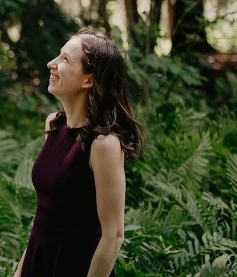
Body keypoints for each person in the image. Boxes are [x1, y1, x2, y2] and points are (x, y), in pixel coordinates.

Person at [14, 28, 146, 277]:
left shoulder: (104, 145)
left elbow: (114, 235)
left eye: (65, 60)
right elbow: (44, 215)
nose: (51, 63)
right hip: (38, 263)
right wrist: (21, 271)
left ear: (89, 80)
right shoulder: (53, 124)